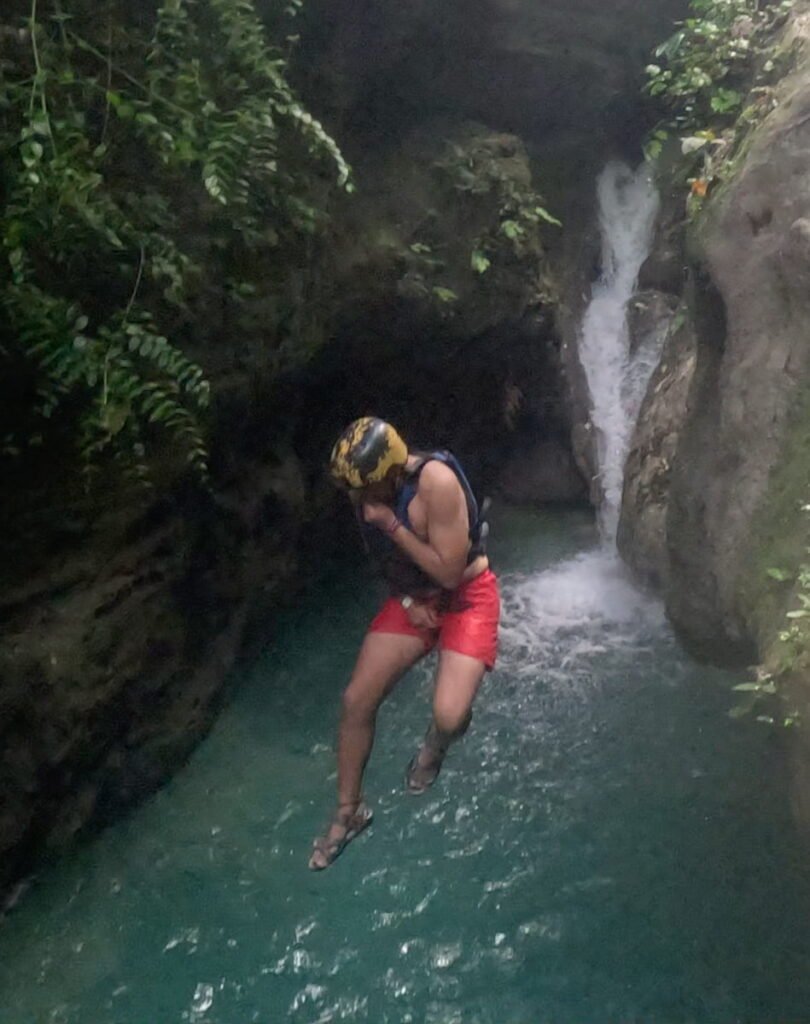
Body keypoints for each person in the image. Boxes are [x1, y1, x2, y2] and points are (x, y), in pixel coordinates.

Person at [309, 417, 500, 870]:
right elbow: (382, 559)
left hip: (466, 595)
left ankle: (435, 745)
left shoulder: (436, 482)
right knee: (356, 700)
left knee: (451, 715)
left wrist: (393, 524)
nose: (358, 501)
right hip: (418, 600)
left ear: (392, 473)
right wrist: (409, 599)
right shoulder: (368, 495)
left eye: (365, 490)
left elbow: (452, 572)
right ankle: (348, 812)